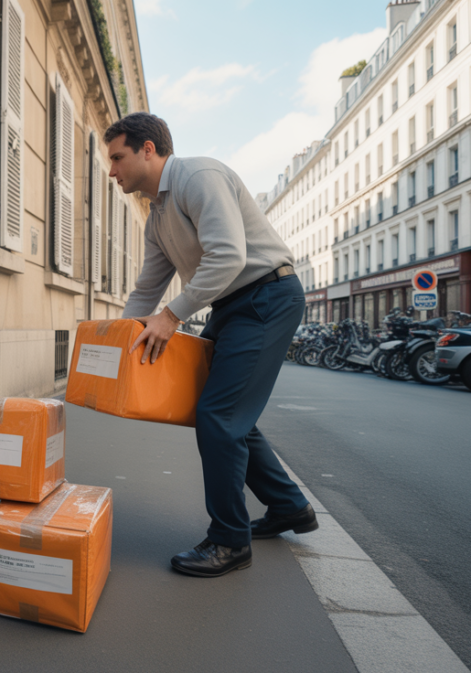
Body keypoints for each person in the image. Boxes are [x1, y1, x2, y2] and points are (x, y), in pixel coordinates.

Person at [106, 112, 318, 578]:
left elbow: (228, 255)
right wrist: (114, 343)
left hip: (266, 295)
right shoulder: (157, 216)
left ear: (148, 149)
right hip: (231, 306)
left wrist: (170, 315)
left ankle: (229, 541)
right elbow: (147, 289)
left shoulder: (198, 176)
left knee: (218, 417)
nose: (112, 170)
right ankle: (289, 507)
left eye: (118, 157)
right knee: (228, 412)